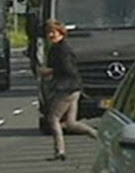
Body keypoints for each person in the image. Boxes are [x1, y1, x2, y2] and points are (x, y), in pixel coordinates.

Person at [39, 20, 98, 161]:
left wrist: (49, 71)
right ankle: (98, 136)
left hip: (66, 89)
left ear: (61, 33)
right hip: (74, 88)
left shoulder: (62, 49)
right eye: (49, 33)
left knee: (53, 119)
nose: (51, 35)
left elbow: (68, 69)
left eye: (54, 32)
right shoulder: (58, 48)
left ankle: (60, 151)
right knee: (71, 123)